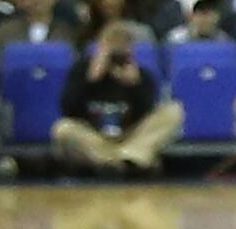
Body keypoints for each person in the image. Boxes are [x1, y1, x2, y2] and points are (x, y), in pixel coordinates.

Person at [53, 21, 183, 175]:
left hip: (131, 135)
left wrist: (135, 85)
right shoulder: (82, 71)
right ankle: (124, 161)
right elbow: (69, 109)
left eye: (123, 44)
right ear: (100, 46)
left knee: (174, 111)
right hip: (95, 136)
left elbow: (147, 112)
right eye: (112, 44)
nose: (116, 51)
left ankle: (123, 158)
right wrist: (90, 80)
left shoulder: (142, 75)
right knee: (63, 129)